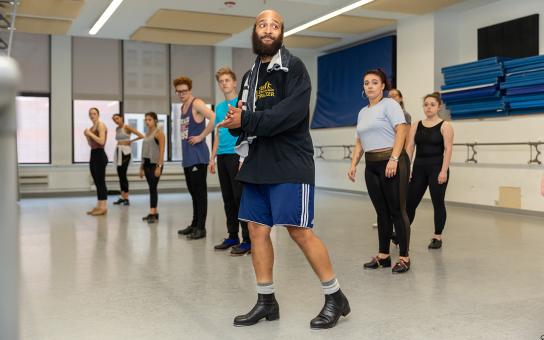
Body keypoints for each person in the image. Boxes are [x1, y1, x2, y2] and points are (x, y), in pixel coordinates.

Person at [221, 9, 350, 329]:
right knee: (255, 229)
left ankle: (335, 296)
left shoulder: (294, 68)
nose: (268, 30)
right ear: (255, 31)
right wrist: (235, 124)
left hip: (290, 163)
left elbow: (289, 116)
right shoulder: (250, 75)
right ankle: (266, 300)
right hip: (258, 163)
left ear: (281, 33)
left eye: (274, 25)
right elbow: (246, 118)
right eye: (262, 24)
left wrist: (246, 120)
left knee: (299, 231)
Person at [347, 69, 411, 273]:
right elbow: (359, 141)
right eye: (366, 83)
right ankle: (383, 256)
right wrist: (353, 164)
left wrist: (394, 157)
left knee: (397, 211)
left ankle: (404, 257)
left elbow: (402, 130)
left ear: (383, 86)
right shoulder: (362, 112)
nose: (370, 86)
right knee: (381, 212)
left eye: (375, 82)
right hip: (372, 164)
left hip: (392, 162)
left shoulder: (389, 105)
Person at [210, 67, 251, 256]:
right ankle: (232, 235)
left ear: (235, 83)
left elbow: (246, 131)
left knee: (239, 197)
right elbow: (218, 133)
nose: (224, 83)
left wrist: (245, 156)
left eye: (227, 80)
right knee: (227, 198)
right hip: (222, 156)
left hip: (236, 154)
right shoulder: (218, 108)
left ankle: (248, 240)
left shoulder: (241, 103)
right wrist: (212, 157)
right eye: (221, 81)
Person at [405, 92, 454, 249]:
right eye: (426, 104)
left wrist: (444, 171)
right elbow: (410, 146)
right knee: (410, 203)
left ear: (438, 106)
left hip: (437, 168)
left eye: (432, 104)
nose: (429, 107)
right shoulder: (416, 125)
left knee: (437, 203)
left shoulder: (445, 125)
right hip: (419, 168)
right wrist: (407, 167)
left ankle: (437, 237)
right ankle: (402, 233)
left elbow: (448, 149)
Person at [173, 76, 216, 240]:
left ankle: (201, 228)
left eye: (184, 91)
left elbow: (213, 117)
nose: (182, 94)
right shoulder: (183, 107)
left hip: (198, 156)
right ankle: (194, 223)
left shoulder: (196, 103)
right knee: (193, 192)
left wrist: (201, 136)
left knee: (200, 193)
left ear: (190, 90)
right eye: (179, 91)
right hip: (188, 157)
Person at [372, 88, 412, 231]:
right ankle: (385, 221)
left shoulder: (404, 115)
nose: (391, 98)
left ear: (401, 98)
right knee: (383, 197)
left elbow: (405, 140)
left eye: (395, 96)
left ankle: (398, 226)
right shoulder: (383, 112)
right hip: (383, 157)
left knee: (396, 200)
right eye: (389, 96)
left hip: (397, 157)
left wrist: (405, 163)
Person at [112, 113, 144, 206]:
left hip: (126, 153)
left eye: (117, 118)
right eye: (114, 119)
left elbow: (141, 135)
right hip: (118, 151)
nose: (116, 121)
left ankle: (126, 198)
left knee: (123, 174)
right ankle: (122, 197)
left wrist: (131, 141)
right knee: (120, 175)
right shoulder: (117, 129)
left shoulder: (127, 127)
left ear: (121, 118)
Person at [139, 112, 166, 224]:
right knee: (151, 187)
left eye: (149, 119)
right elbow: (144, 151)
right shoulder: (147, 133)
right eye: (146, 120)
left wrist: (159, 167)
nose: (147, 122)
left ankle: (153, 213)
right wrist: (141, 167)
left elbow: (162, 150)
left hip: (155, 164)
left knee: (153, 188)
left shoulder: (159, 133)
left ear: (155, 120)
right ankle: (154, 212)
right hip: (146, 164)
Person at [84, 107, 108, 216]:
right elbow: (91, 144)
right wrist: (87, 136)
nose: (92, 115)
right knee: (97, 181)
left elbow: (101, 141)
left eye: (94, 113)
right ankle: (99, 205)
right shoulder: (92, 127)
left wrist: (90, 134)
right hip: (93, 153)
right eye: (90, 113)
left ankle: (103, 207)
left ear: (98, 114)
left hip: (100, 154)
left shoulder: (101, 125)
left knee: (101, 181)